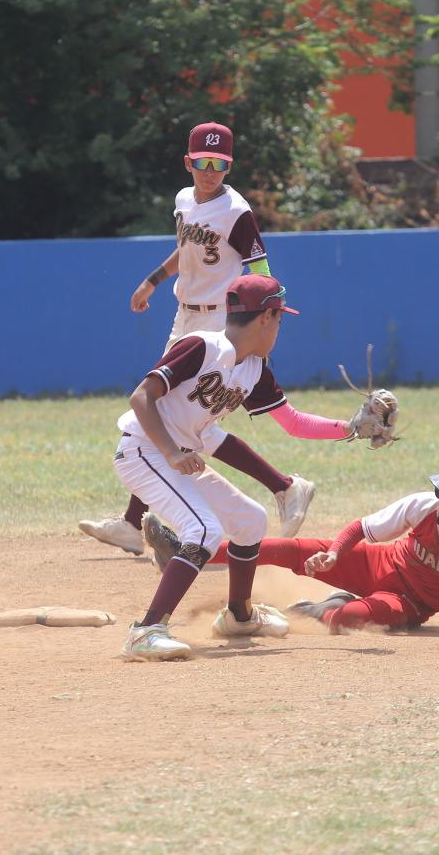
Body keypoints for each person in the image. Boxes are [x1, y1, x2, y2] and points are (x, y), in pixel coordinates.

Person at [79, 121, 315, 558]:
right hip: (184, 314)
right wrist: (151, 280)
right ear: (188, 162)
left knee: (179, 416)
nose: (210, 171)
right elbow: (187, 248)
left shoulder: (236, 212)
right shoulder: (185, 199)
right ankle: (282, 487)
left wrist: (267, 311)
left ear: (229, 166)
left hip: (218, 322)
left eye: (220, 164)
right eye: (203, 162)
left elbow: (261, 270)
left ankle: (278, 489)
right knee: (176, 416)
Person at [116, 274, 358, 661]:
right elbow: (141, 397)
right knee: (204, 529)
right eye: (280, 318)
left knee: (250, 519)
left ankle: (239, 617)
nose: (280, 326)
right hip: (143, 452)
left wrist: (352, 428)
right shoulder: (199, 346)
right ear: (266, 317)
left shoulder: (254, 369)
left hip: (177, 458)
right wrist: (173, 452)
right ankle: (146, 630)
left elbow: (293, 422)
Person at [142, 456, 439, 638]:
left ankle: (322, 607)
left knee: (350, 619)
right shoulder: (425, 506)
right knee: (290, 548)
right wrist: (337, 554)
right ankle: (194, 553)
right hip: (375, 563)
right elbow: (363, 527)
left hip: (406, 601)